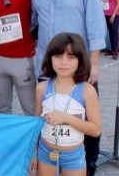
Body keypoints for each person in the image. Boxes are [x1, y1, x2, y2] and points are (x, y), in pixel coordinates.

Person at [31, 0, 106, 175]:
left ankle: (88, 163)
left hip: (78, 67)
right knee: (47, 115)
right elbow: (33, 21)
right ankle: (49, 156)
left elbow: (96, 27)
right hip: (47, 66)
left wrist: (94, 62)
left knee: (85, 115)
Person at [33, 33, 101, 176]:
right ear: (50, 58)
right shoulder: (42, 88)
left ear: (80, 60)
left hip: (73, 157)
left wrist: (66, 118)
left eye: (71, 57)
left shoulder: (87, 91)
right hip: (46, 154)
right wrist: (33, 153)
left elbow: (95, 130)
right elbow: (36, 125)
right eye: (58, 56)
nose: (64, 62)